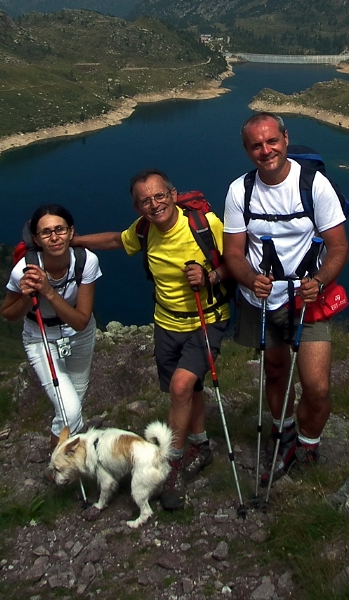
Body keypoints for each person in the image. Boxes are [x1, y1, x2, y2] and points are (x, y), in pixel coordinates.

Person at [73, 169, 232, 510]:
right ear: (137, 207)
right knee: (189, 388)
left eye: (160, 196)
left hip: (206, 321)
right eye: (145, 200)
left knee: (179, 387)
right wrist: (75, 241)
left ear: (173, 195)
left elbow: (236, 260)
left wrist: (210, 275)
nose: (154, 204)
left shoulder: (204, 225)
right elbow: (118, 240)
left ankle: (170, 465)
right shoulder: (144, 230)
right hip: (165, 323)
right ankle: (201, 446)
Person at [223, 113, 348, 478]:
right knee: (276, 372)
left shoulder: (314, 185)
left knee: (317, 386)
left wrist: (321, 280)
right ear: (247, 150)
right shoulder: (239, 190)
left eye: (272, 141)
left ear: (285, 139)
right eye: (257, 145)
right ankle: (284, 431)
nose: (266, 150)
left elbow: (338, 247)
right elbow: (234, 252)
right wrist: (249, 279)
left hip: (307, 300)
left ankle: (307, 445)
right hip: (261, 300)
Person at [1, 204, 99, 449]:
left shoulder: (86, 261)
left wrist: (48, 292)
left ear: (71, 231)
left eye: (60, 230)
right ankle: (60, 467)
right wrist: (27, 295)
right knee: (71, 410)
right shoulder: (23, 270)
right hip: (40, 336)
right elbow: (8, 313)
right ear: (36, 238)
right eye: (46, 233)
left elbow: (80, 321)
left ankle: (60, 466)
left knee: (72, 405)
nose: (54, 237)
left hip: (79, 336)